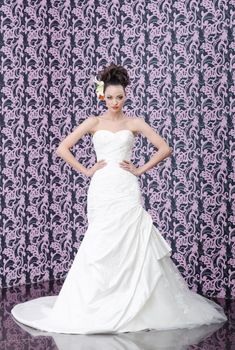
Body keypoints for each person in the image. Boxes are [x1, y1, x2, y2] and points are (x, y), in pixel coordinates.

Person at [11, 63, 227, 334]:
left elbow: (164, 148)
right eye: (110, 97)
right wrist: (86, 170)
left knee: (131, 241)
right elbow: (62, 148)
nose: (115, 102)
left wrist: (140, 169)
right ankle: (98, 302)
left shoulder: (134, 123)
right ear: (103, 96)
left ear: (126, 96)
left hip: (126, 187)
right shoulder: (94, 122)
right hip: (101, 189)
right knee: (101, 241)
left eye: (120, 97)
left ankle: (136, 303)